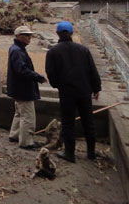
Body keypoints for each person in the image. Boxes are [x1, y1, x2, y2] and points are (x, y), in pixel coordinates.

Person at [45, 21, 101, 163]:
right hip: (84, 91)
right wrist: (96, 88)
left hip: (67, 93)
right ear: (71, 33)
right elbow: (92, 71)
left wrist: (58, 85)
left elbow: (51, 73)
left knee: (68, 122)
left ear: (57, 33)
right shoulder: (83, 50)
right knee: (88, 121)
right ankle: (91, 153)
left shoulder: (53, 51)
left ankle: (70, 154)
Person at [7, 25, 47, 149]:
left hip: (17, 88)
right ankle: (26, 142)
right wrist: (38, 77)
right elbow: (22, 70)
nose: (29, 38)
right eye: (26, 35)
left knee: (19, 113)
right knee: (28, 116)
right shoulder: (18, 51)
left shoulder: (16, 48)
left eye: (30, 35)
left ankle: (15, 135)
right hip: (23, 89)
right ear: (18, 36)